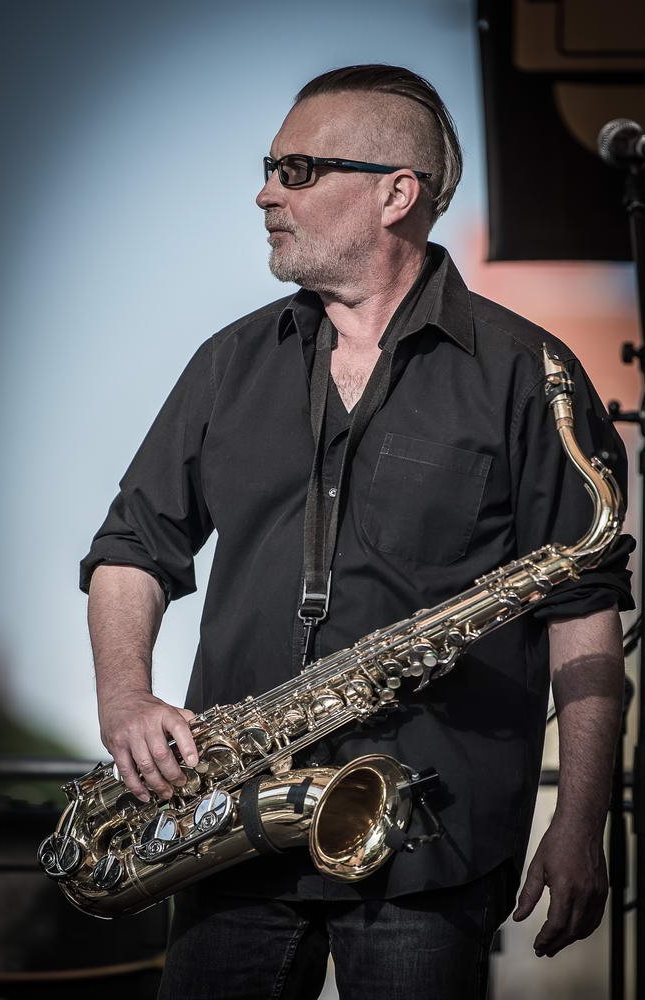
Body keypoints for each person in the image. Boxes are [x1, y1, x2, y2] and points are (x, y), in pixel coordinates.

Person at [80, 65, 634, 999]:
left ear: (395, 194)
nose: (266, 194)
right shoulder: (229, 363)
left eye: (297, 170)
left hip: (430, 846)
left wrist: (581, 824)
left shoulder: (529, 375)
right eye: (268, 169)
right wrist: (125, 699)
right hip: (231, 832)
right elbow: (132, 547)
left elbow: (583, 613)